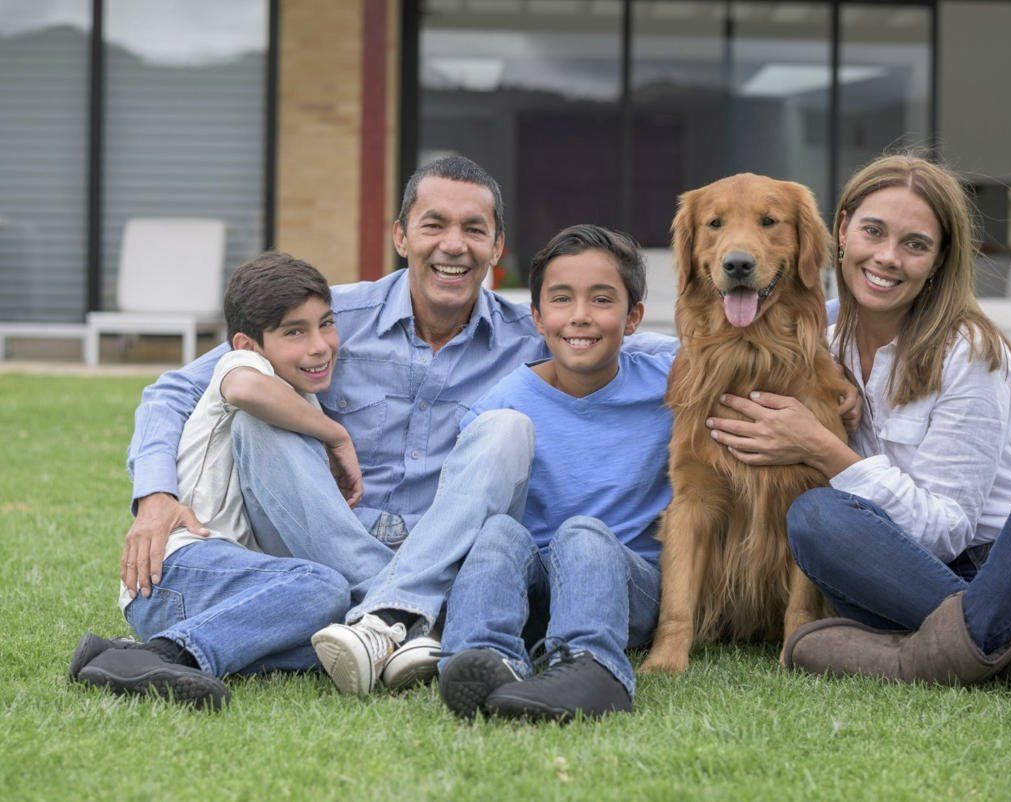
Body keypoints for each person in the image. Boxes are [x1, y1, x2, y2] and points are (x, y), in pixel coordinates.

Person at [111, 155, 675, 696]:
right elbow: (177, 389)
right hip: (324, 535)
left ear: (496, 248)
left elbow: (634, 342)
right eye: (434, 225)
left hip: (444, 544)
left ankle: (375, 619)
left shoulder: (537, 330)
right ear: (401, 236)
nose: (453, 245)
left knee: (506, 428)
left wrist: (762, 398)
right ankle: (406, 621)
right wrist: (156, 495)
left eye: (473, 230)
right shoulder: (329, 320)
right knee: (260, 422)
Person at [706, 153, 1011, 701]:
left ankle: (918, 658)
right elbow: (698, 345)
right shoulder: (814, 332)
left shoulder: (972, 352)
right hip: (905, 584)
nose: (887, 257)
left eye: (915, 244)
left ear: (940, 259)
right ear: (841, 231)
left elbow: (947, 531)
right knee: (814, 517)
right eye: (873, 232)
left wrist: (823, 447)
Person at [71, 253, 357, 708]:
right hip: (180, 568)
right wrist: (337, 436)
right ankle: (166, 656)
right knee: (324, 587)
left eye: (326, 324)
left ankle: (119, 655)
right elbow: (245, 390)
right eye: (294, 332)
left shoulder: (298, 393)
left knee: (342, 638)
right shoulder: (242, 369)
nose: (320, 345)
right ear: (247, 344)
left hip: (236, 586)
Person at [430, 224, 672, 723]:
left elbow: (743, 361)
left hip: (626, 591)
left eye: (602, 300)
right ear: (538, 317)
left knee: (581, 534)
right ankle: (483, 658)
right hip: (533, 593)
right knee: (497, 533)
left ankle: (593, 667)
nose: (580, 317)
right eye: (561, 301)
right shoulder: (501, 406)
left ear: (634, 318)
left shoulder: (672, 384)